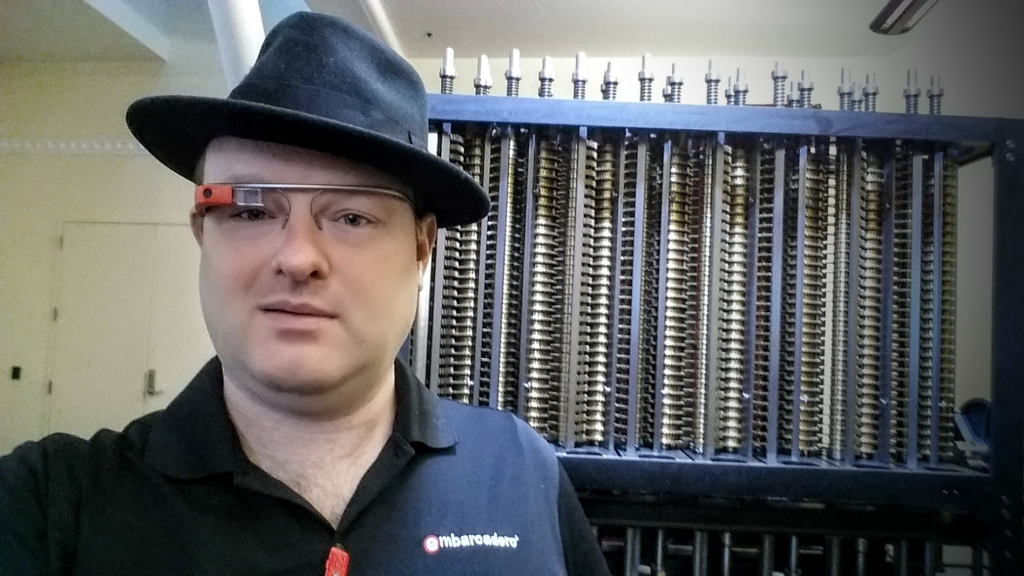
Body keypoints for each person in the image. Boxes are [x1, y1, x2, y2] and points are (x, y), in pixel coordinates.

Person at [0, 12, 611, 576]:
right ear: (202, 232)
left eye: (352, 217)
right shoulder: (50, 504)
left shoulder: (520, 474)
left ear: (421, 246)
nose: (297, 258)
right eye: (249, 210)